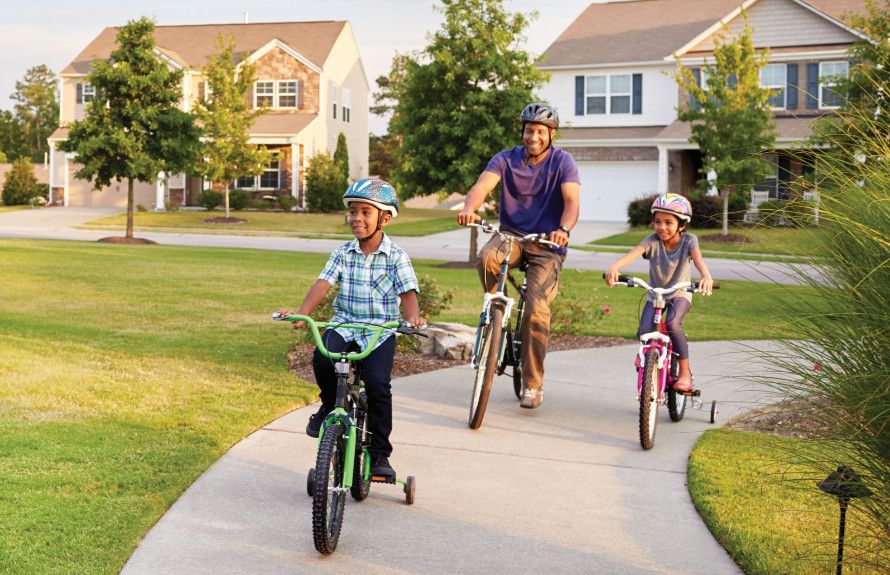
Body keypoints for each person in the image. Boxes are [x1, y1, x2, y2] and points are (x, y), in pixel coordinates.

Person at [277, 178, 425, 479]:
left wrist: (412, 319)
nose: (357, 218)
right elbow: (323, 283)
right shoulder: (343, 252)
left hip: (379, 331)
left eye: (365, 213)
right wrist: (302, 312)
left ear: (384, 218)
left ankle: (380, 453)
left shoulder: (396, 256)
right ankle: (329, 407)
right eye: (353, 212)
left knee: (378, 385)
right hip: (345, 323)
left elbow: (408, 293)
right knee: (322, 358)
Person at [457, 103, 581, 409]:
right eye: (529, 130)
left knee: (537, 307)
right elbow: (482, 186)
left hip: (547, 245)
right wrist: (469, 208)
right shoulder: (505, 159)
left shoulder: (563, 162)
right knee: (487, 257)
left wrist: (563, 228)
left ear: (551, 134)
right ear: (522, 132)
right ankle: (494, 314)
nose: (533, 136)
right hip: (511, 236)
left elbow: (571, 201)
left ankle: (532, 384)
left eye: (540, 131)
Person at [604, 193, 713, 391]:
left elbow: (698, 260)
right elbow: (633, 254)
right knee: (644, 331)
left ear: (682, 225)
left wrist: (706, 276)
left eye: (668, 222)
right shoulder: (653, 240)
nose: (661, 227)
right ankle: (649, 356)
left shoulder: (689, 241)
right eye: (657, 222)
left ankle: (685, 371)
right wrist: (614, 267)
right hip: (655, 293)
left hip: (679, 293)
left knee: (672, 323)